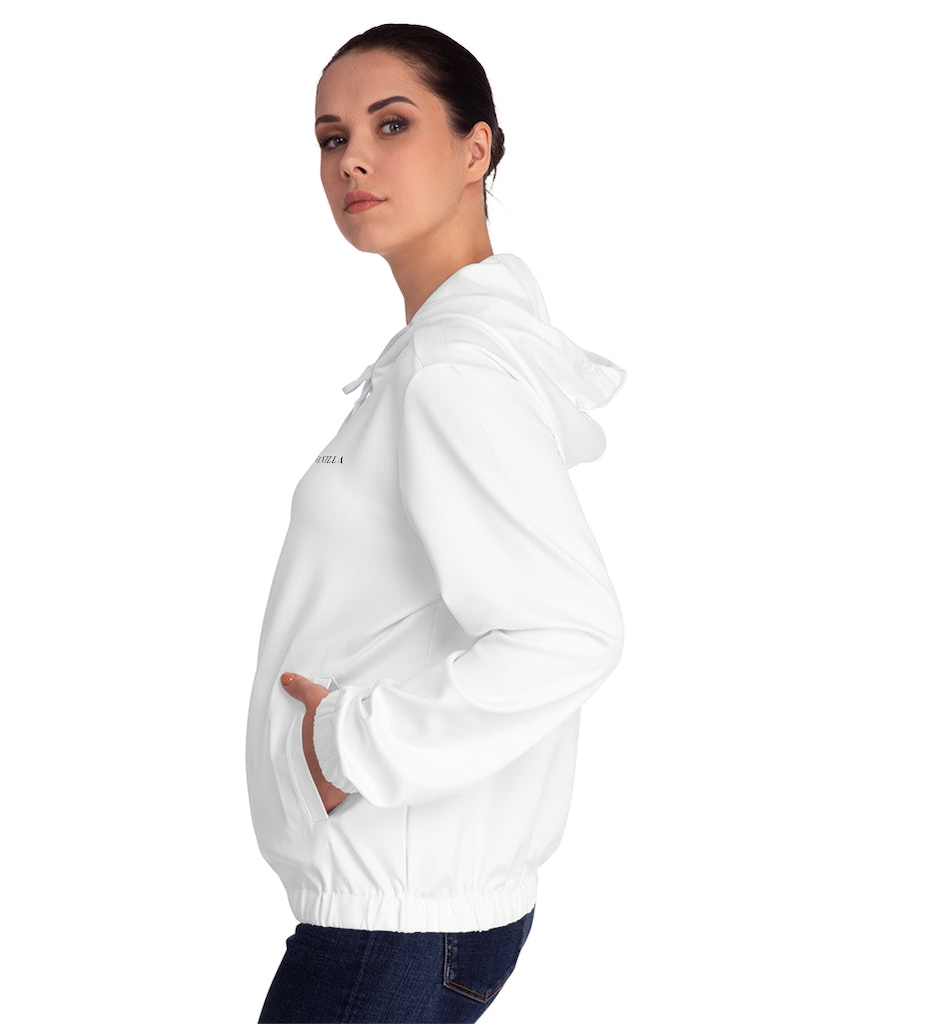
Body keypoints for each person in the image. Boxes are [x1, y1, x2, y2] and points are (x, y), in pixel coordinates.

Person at [246, 23, 627, 1024]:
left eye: (392, 124)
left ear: (475, 149)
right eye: (332, 137)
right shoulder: (447, 353)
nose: (352, 159)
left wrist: (346, 746)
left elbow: (569, 632)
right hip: (406, 914)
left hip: (392, 925)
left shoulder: (453, 371)